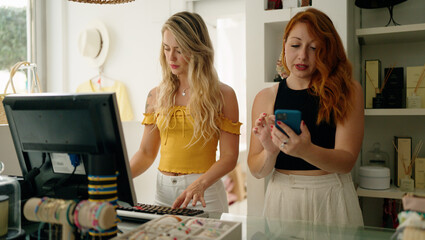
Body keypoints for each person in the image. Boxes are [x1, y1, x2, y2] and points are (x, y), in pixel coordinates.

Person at [247, 8, 364, 226]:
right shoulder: (265, 97)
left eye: (314, 48)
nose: (302, 56)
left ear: (327, 51)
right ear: (284, 44)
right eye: (295, 45)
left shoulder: (348, 90)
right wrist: (270, 152)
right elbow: (256, 170)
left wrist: (305, 150)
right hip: (283, 198)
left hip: (332, 195)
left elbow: (347, 161)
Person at [130, 11, 241, 213]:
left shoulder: (223, 95)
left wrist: (200, 184)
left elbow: (229, 156)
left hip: (204, 192)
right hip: (162, 192)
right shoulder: (155, 95)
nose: (171, 57)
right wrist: (115, 178)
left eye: (179, 50)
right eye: (166, 48)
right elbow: (146, 154)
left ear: (197, 49)